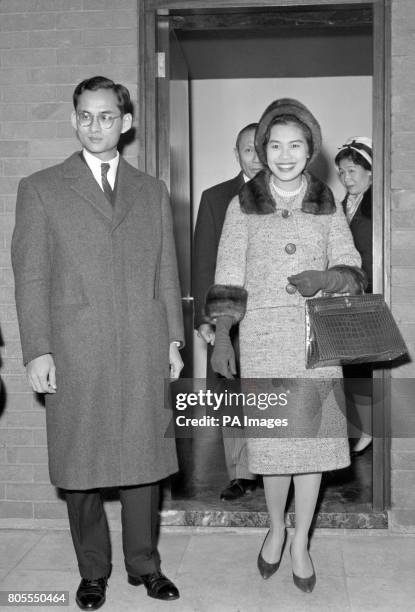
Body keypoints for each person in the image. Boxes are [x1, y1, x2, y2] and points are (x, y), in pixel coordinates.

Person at [11, 76, 184, 610]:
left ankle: (144, 566)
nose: (95, 126)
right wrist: (38, 348)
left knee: (143, 459)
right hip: (74, 346)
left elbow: (167, 271)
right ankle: (92, 570)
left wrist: (174, 339)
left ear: (125, 123)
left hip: (141, 340)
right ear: (73, 120)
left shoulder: (151, 189)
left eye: (106, 116)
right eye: (84, 115)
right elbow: (31, 275)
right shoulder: (41, 187)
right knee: (79, 463)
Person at [205, 99, 366, 593]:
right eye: (274, 145)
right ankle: (275, 528)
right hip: (263, 339)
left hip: (317, 340)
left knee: (312, 448)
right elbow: (228, 274)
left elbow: (353, 267)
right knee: (274, 446)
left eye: (295, 144)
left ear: (309, 149)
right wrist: (223, 335)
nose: (284, 154)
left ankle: (301, 540)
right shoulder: (242, 204)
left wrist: (328, 277)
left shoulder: (326, 202)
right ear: (262, 150)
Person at [192, 123, 263, 501]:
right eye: (246, 150)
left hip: (271, 315)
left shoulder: (290, 195)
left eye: (258, 148)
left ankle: (275, 466)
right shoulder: (215, 198)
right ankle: (241, 473)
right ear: (237, 155)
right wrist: (205, 319)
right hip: (228, 315)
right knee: (232, 391)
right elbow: (204, 261)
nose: (254, 156)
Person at [335, 137, 373, 456]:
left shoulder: (376, 205)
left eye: (352, 170)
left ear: (370, 172)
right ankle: (360, 428)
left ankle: (367, 429)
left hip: (366, 296)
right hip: (345, 297)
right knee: (349, 369)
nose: (347, 178)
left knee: (362, 369)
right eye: (342, 172)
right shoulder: (342, 204)